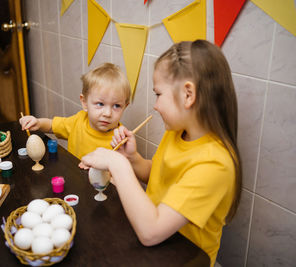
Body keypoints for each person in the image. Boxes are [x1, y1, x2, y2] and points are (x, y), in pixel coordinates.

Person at [81, 40, 242, 266]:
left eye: (158, 94)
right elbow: (158, 176)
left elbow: (151, 231)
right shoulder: (178, 132)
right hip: (156, 245)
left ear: (188, 94)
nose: (155, 105)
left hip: (182, 258)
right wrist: (133, 159)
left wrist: (117, 164)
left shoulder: (215, 164)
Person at [19, 63, 131, 165]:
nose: (107, 113)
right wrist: (37, 123)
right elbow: (52, 125)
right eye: (100, 104)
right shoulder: (78, 120)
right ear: (84, 102)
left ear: (125, 107)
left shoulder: (121, 140)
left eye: (116, 106)